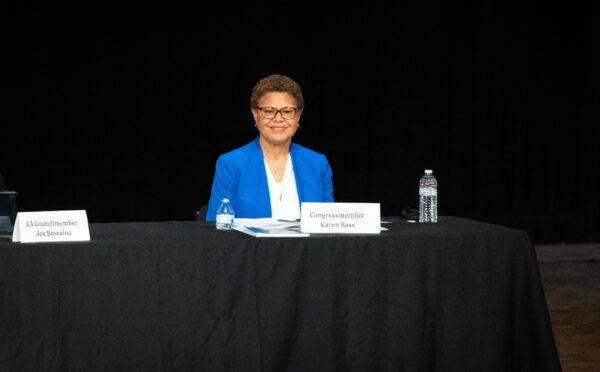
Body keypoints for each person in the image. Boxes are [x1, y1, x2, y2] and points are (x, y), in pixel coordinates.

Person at [205, 74, 334, 221]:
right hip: (248, 245)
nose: (278, 119)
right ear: (255, 114)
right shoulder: (230, 163)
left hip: (306, 245)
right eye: (269, 111)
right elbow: (216, 227)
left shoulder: (317, 163)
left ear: (298, 115)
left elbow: (327, 227)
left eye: (287, 111)